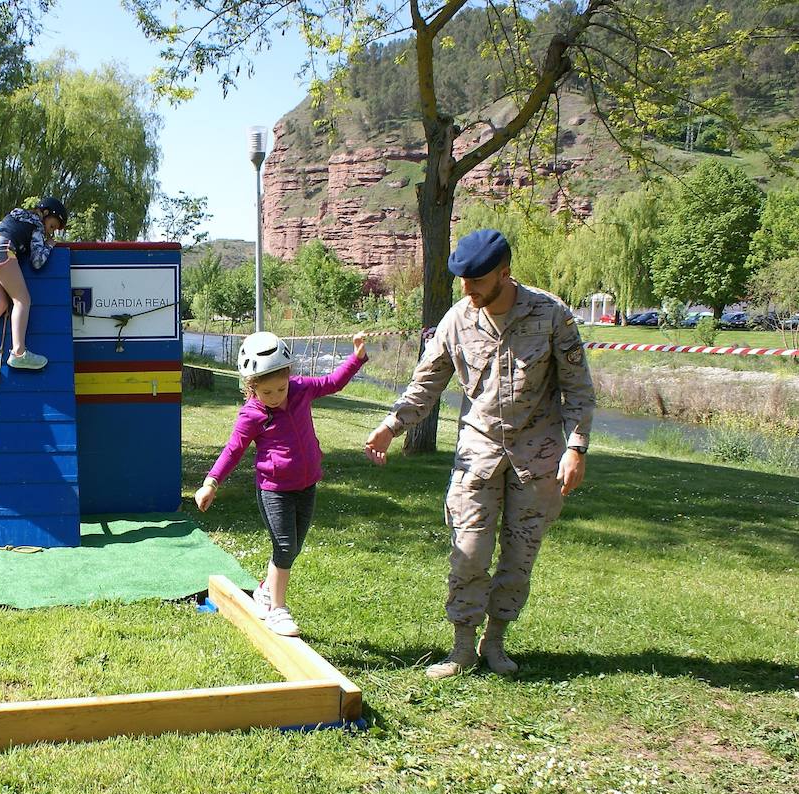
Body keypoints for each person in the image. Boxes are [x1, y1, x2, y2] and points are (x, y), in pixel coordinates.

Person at [363, 229, 595, 679]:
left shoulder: (551, 315)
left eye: (477, 280)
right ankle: (462, 648)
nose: (467, 289)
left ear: (505, 273)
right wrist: (392, 426)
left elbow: (578, 390)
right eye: (461, 281)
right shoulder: (456, 321)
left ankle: (496, 642)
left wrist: (576, 448)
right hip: (478, 451)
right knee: (468, 550)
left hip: (538, 454)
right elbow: (426, 384)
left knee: (520, 554)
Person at [195, 330, 369, 637]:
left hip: (307, 483)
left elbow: (333, 383)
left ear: (289, 376)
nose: (276, 397)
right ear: (251, 388)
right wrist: (211, 482)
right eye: (267, 392)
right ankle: (277, 610)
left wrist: (355, 358)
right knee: (285, 545)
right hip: (274, 490)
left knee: (293, 547)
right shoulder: (251, 415)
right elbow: (233, 449)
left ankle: (264, 591)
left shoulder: (301, 390)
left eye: (280, 388)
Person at [0, 196, 68, 371]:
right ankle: (18, 353)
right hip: (0, 247)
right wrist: (49, 245)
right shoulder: (37, 226)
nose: (50, 232)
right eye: (52, 226)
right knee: (22, 300)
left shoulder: (17, 213)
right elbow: (37, 262)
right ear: (46, 213)